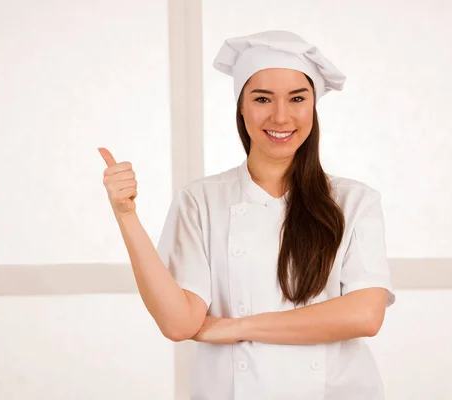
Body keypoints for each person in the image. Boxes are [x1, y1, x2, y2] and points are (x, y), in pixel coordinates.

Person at [98, 30, 396, 400]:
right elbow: (179, 323)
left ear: (313, 107)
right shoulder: (201, 200)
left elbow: (364, 316)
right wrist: (126, 215)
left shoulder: (354, 202)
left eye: (297, 98)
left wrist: (236, 328)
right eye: (262, 98)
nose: (281, 116)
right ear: (241, 107)